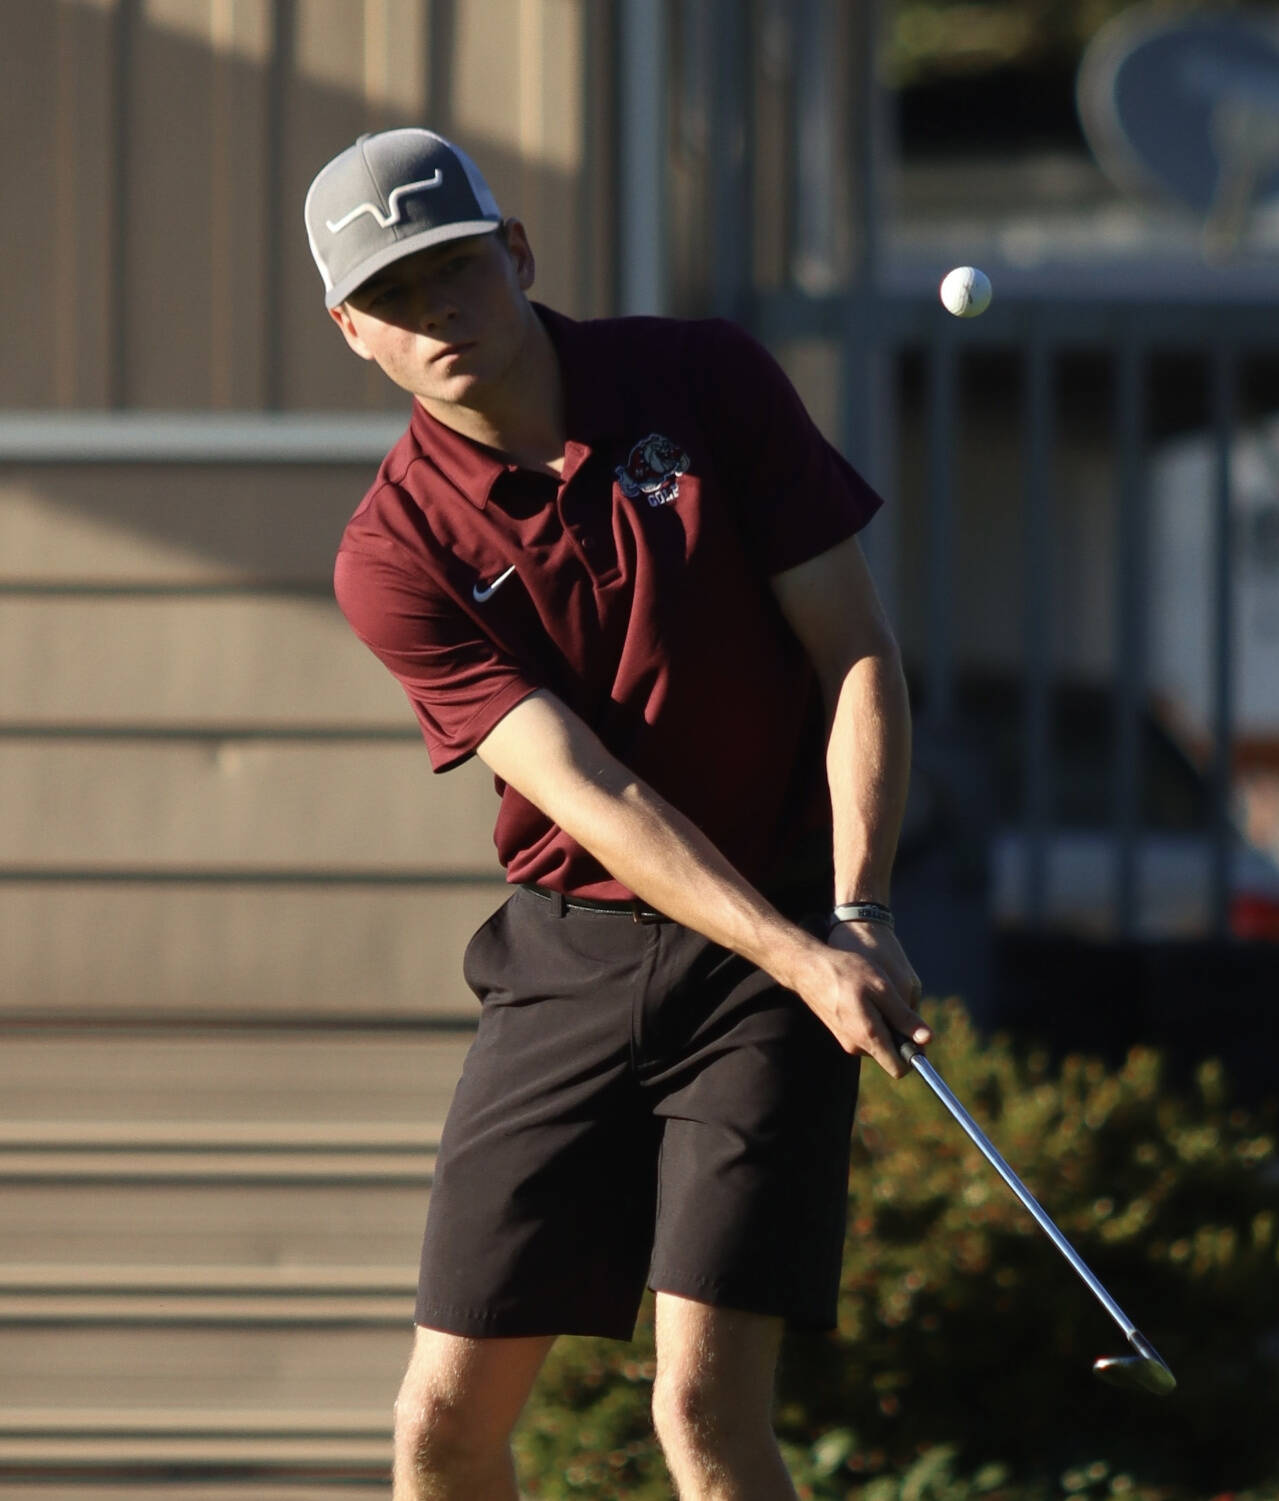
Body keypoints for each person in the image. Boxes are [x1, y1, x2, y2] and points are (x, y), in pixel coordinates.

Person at [304, 127, 929, 1501]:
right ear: (353, 330)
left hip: (774, 933)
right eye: (394, 299)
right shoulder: (392, 550)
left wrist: (857, 910)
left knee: (702, 1413)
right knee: (439, 1426)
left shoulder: (702, 381)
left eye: (456, 270)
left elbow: (859, 653)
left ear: (517, 251)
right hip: (572, 957)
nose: (436, 315)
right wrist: (804, 951)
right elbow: (583, 790)